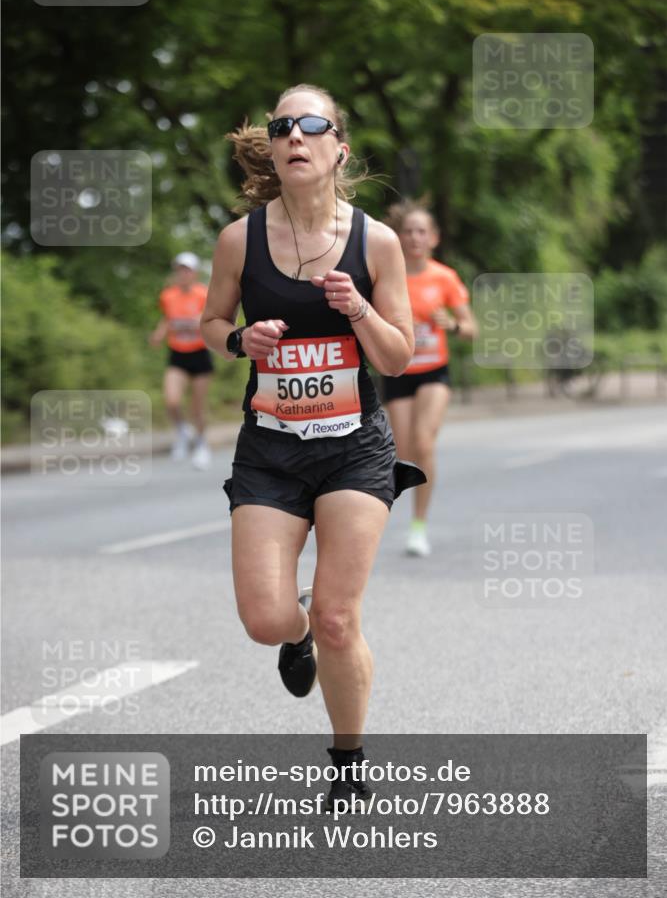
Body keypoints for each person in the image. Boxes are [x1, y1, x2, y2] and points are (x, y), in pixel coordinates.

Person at [200, 83, 426, 810]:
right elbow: (208, 324)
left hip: (353, 448)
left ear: (338, 148)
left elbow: (395, 358)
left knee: (338, 615)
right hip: (268, 449)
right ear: (271, 148)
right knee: (268, 620)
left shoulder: (377, 243)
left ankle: (347, 761)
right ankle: (294, 632)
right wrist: (239, 338)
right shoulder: (240, 239)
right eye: (281, 127)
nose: (294, 136)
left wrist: (356, 307)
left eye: (310, 126)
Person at [382, 202, 477, 557]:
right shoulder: (388, 274)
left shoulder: (444, 277)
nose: (415, 237)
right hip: (398, 370)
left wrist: (451, 324)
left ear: (433, 238)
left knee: (424, 442)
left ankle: (419, 527)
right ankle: (401, 517)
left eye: (422, 231)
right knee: (405, 453)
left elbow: (471, 329)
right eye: (408, 231)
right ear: (400, 237)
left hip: (435, 371)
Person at [149, 252, 214, 470]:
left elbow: (213, 320)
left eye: (187, 269)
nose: (183, 273)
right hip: (177, 354)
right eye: (179, 269)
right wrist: (159, 333)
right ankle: (182, 433)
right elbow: (167, 319)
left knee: (197, 406)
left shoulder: (204, 294)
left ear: (194, 273)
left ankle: (202, 444)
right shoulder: (168, 296)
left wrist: (201, 323)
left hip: (199, 354)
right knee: (172, 400)